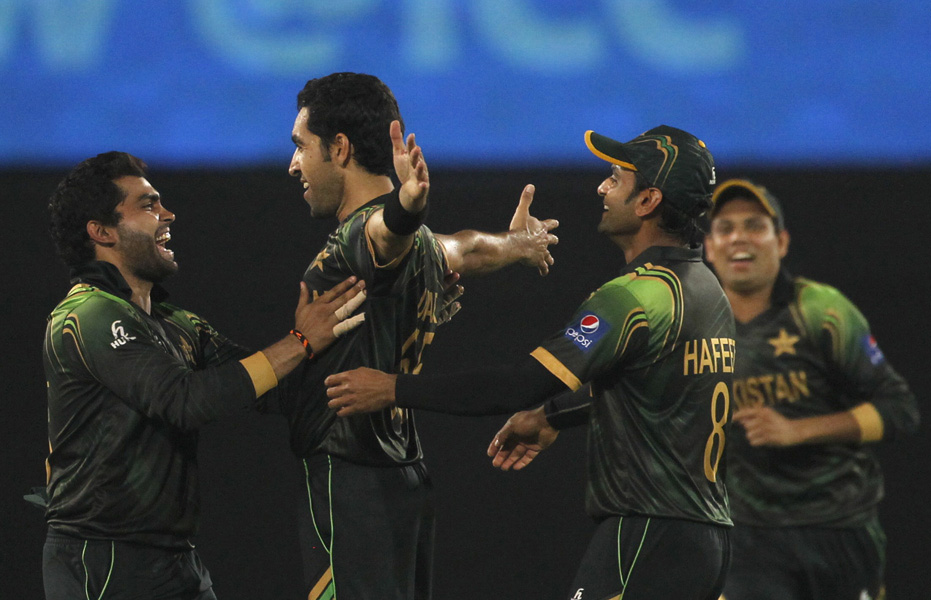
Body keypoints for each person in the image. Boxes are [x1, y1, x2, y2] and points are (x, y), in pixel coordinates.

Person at [326, 125, 735, 600]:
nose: (602, 188)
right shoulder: (708, 290)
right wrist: (553, 416)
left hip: (647, 538)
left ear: (648, 201)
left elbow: (520, 384)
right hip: (708, 540)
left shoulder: (634, 298)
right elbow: (662, 391)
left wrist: (393, 388)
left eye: (616, 179)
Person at [276, 72, 559, 600]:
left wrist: (408, 206)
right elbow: (470, 249)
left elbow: (388, 231)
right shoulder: (427, 249)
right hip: (402, 479)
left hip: (351, 484)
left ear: (339, 149)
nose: (294, 164)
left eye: (301, 146)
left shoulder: (363, 235)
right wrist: (520, 242)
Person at [42, 151, 365, 600]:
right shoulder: (87, 315)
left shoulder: (179, 324)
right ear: (101, 232)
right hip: (102, 561)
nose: (168, 214)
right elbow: (183, 401)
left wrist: (397, 314)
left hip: (175, 560)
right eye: (149, 205)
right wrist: (299, 342)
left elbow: (276, 389)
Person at [703, 179, 920, 600]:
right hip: (747, 537)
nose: (739, 238)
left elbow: (900, 410)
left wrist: (797, 430)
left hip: (839, 528)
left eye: (754, 225)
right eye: (724, 228)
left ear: (781, 242)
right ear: (709, 248)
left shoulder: (822, 311)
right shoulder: (694, 326)